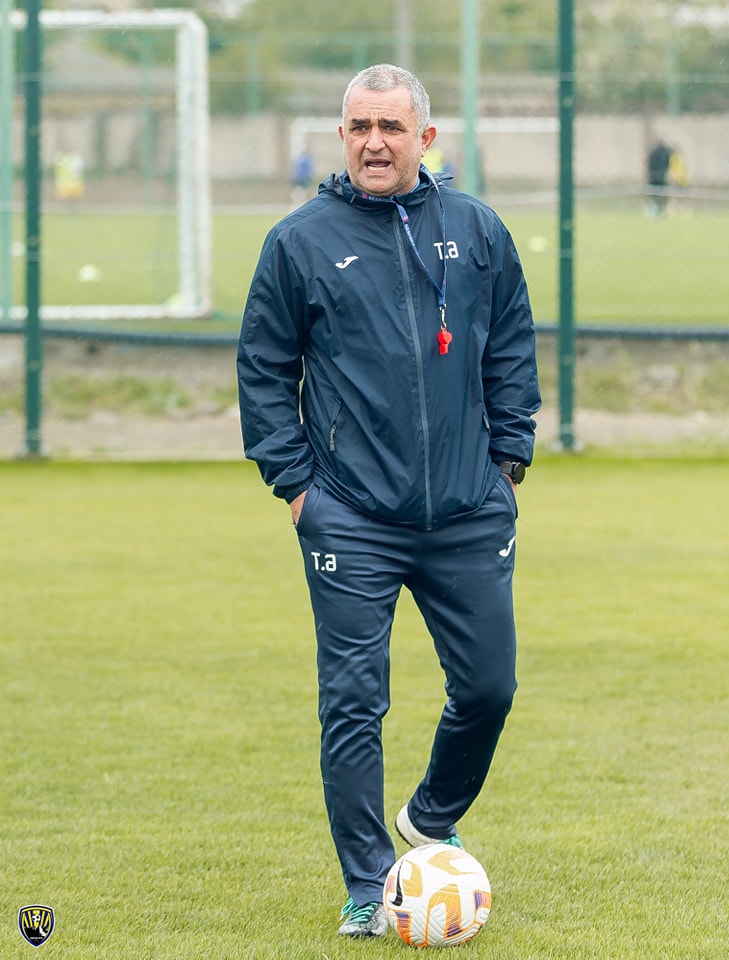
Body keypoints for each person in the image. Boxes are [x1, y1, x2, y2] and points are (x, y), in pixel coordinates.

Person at [237, 64, 540, 939]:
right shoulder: (298, 243)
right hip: (351, 518)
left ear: (425, 138)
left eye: (393, 128)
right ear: (342, 136)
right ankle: (370, 884)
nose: (375, 143)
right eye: (360, 127)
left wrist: (508, 462)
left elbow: (511, 346)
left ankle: (430, 818)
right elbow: (263, 370)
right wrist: (298, 487)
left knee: (489, 688)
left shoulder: (477, 230)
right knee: (353, 703)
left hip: (469, 512)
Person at [646, 137, 672, 216]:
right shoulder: (666, 151)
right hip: (662, 175)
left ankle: (656, 209)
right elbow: (668, 162)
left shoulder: (652, 152)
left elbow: (649, 163)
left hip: (653, 176)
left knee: (654, 194)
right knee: (663, 194)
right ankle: (661, 209)